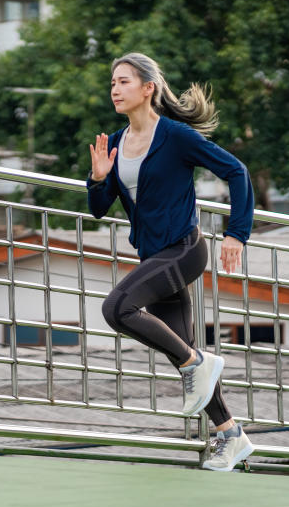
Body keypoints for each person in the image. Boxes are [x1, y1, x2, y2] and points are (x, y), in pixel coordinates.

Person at [86, 52, 255, 472]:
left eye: (123, 81)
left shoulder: (175, 136)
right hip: (153, 255)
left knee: (117, 308)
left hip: (183, 249)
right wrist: (99, 179)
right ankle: (231, 434)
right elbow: (98, 210)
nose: (115, 89)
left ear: (148, 89)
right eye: (112, 83)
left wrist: (236, 233)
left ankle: (199, 363)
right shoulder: (118, 143)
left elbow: (237, 171)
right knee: (179, 349)